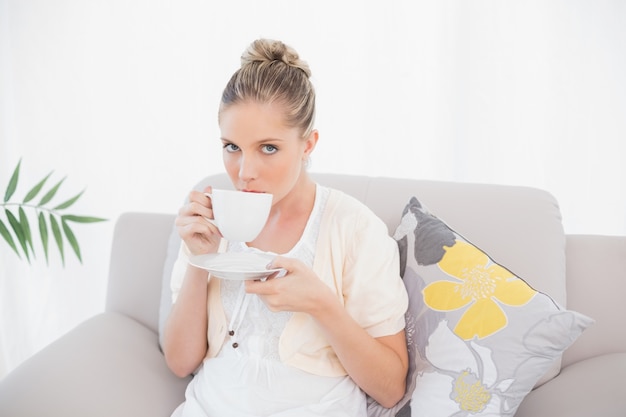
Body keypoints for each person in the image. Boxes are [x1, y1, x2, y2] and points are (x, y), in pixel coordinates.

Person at [163, 38, 409, 417]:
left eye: (268, 148)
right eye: (232, 147)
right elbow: (180, 363)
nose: (244, 172)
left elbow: (391, 388)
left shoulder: (354, 228)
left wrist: (321, 305)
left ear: (308, 144)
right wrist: (200, 261)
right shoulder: (212, 222)